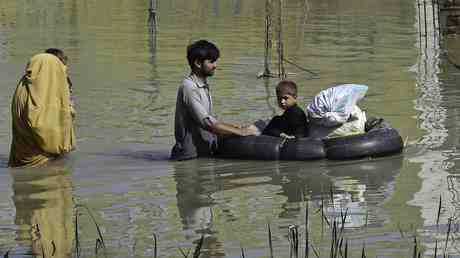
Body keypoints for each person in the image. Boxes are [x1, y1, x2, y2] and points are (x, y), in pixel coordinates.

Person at [171, 40, 258, 161]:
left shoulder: (203, 85)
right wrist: (242, 132)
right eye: (211, 61)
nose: (215, 65)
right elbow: (208, 123)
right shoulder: (189, 87)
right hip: (188, 158)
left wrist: (233, 127)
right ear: (198, 63)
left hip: (202, 155)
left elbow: (210, 120)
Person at [8, 53, 76, 167]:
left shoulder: (24, 87)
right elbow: (41, 127)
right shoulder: (41, 93)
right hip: (42, 162)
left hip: (20, 157)